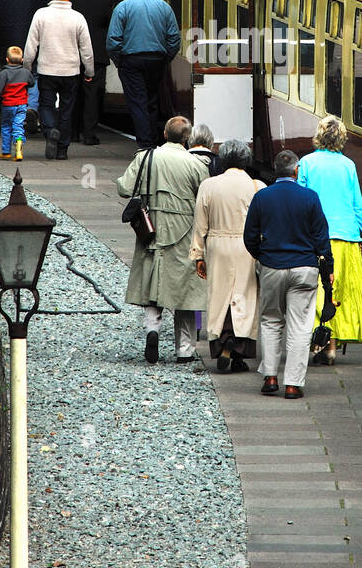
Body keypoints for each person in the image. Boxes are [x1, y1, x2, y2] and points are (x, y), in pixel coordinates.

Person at [243, 148, 333, 400]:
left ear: (275, 171)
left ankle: (270, 377)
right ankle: (293, 384)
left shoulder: (262, 197)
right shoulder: (310, 197)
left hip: (272, 266)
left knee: (271, 320)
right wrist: (329, 270)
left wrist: (263, 256)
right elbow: (321, 239)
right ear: (296, 171)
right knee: (301, 326)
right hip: (304, 268)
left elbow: (249, 236)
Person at [118, 115, 208, 365]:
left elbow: (124, 188)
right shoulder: (195, 164)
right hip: (184, 231)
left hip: (151, 228)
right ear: (187, 138)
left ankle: (152, 331)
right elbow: (205, 198)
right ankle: (185, 351)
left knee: (152, 286)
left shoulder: (145, 157)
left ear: (165, 135)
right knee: (185, 291)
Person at [297, 115, 362, 364]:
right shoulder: (349, 166)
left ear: (319, 136)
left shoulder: (307, 163)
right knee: (340, 291)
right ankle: (332, 345)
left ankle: (318, 342)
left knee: (318, 291)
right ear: (342, 138)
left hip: (316, 237)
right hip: (346, 236)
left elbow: (302, 199)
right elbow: (356, 205)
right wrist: (361, 234)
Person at [190, 139, 263, 373]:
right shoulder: (256, 186)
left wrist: (198, 255)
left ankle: (223, 338)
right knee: (244, 295)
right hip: (247, 247)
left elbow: (200, 225)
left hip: (217, 245)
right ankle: (239, 348)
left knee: (219, 296)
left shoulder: (209, 186)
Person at [106, 0, 180, 149]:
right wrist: (165, 58)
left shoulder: (123, 7)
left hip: (131, 61)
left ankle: (145, 144)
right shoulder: (164, 7)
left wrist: (120, 61)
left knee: (137, 102)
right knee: (152, 101)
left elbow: (113, 40)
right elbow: (174, 39)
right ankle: (153, 140)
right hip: (156, 60)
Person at [23, 0, 94, 160]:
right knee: (66, 109)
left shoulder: (41, 14)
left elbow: (31, 44)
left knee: (46, 104)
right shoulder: (78, 17)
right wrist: (89, 71)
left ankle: (49, 129)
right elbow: (86, 49)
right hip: (70, 71)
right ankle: (62, 149)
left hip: (47, 69)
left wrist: (27, 66)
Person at [0, 0, 49, 131]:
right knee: (34, 74)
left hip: (4, 42)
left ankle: (9, 109)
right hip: (33, 41)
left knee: (7, 74)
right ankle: (30, 109)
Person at [70, 0, 111, 145]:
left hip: (72, 53)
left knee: (72, 93)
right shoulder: (103, 2)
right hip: (96, 55)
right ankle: (89, 134)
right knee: (92, 95)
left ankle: (72, 132)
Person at [0, 46, 37, 161]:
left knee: (6, 126)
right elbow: (32, 83)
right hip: (21, 105)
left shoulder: (3, 74)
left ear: (7, 59)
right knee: (18, 126)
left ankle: (6, 152)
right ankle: (19, 143)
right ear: (22, 60)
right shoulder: (26, 73)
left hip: (8, 105)